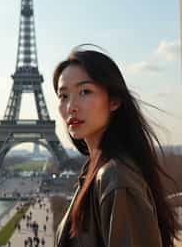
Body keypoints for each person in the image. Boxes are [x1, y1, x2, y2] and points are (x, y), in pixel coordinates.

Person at [53, 45, 181, 247]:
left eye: (85, 91)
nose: (71, 106)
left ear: (114, 100)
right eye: (63, 96)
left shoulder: (116, 177)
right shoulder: (100, 170)